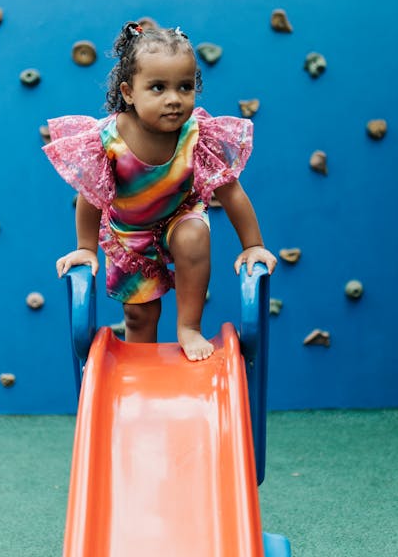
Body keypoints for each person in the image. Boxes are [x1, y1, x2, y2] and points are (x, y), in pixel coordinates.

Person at [43, 21, 277, 361]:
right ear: (128, 93)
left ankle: (189, 327)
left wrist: (253, 245)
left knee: (193, 234)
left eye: (184, 87)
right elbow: (90, 196)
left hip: (179, 216)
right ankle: (144, 368)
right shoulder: (108, 140)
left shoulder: (196, 135)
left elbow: (231, 191)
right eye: (157, 88)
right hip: (129, 234)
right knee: (141, 315)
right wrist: (86, 249)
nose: (173, 99)